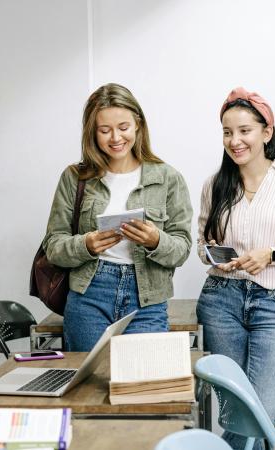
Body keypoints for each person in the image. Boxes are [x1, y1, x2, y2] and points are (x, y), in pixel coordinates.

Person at [197, 87, 275, 450]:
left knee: (260, 409)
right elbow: (201, 245)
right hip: (221, 300)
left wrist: (272, 255)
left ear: (266, 132)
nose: (234, 141)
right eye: (227, 132)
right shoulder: (215, 185)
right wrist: (215, 256)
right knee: (234, 407)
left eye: (244, 131)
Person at [43, 83, 193, 351]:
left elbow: (182, 249)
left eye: (123, 127)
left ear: (138, 124)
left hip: (147, 298)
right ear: (92, 132)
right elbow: (53, 246)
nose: (115, 138)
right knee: (87, 387)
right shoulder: (74, 178)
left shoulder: (168, 178)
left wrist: (155, 240)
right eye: (104, 130)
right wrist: (86, 245)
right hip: (89, 295)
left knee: (141, 387)